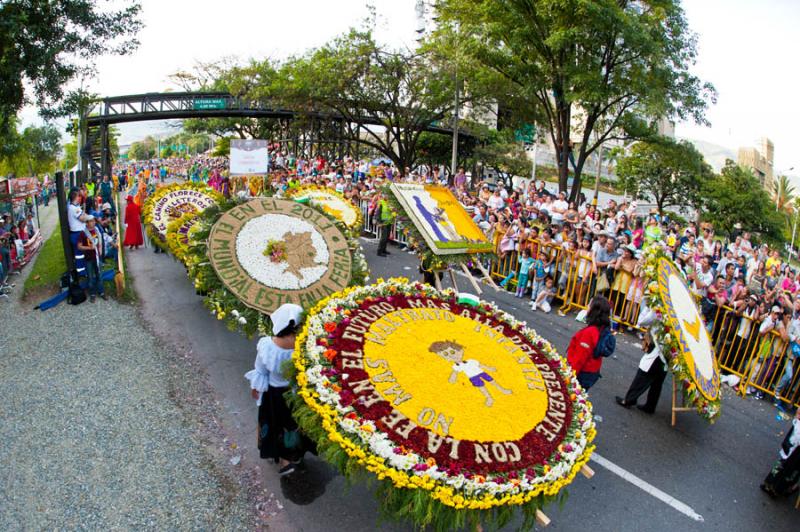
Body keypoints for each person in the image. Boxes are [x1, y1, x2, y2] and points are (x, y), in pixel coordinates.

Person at [245, 304, 315, 476]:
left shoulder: (267, 346)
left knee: (274, 424)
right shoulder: (303, 347)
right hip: (296, 395)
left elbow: (260, 370)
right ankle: (290, 456)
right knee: (293, 425)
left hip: (273, 395)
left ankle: (279, 456)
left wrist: (256, 389)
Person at [615, 331, 668, 413]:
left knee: (643, 376)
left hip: (658, 352)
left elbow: (643, 320)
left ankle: (629, 400)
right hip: (667, 354)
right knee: (657, 382)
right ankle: (650, 406)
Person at [566, 296, 612, 390]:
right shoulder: (601, 328)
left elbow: (580, 358)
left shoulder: (590, 332)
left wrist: (569, 376)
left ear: (594, 310)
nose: (587, 306)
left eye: (589, 305)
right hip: (592, 371)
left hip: (583, 373)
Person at [760, 408, 800, 498]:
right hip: (793, 448)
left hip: (793, 449)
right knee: (785, 468)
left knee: (785, 467)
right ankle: (773, 487)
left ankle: (773, 486)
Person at [76, 215, 106, 302]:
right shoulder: (83, 233)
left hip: (97, 257)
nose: (93, 222)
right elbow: (79, 246)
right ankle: (92, 294)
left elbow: (100, 240)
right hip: (89, 258)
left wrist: (100, 248)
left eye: (94, 221)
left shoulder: (97, 230)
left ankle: (101, 292)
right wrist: (89, 248)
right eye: (91, 221)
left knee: (99, 275)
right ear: (87, 223)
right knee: (90, 277)